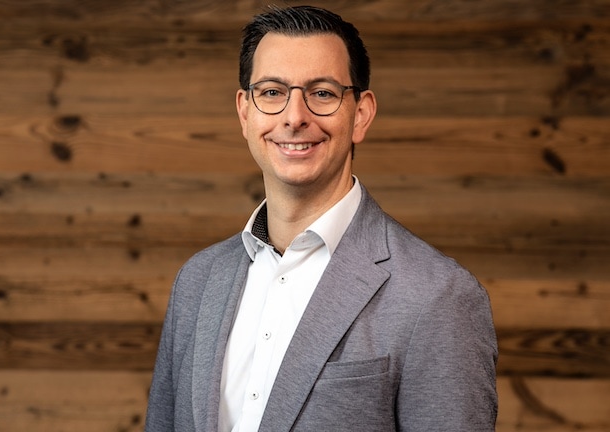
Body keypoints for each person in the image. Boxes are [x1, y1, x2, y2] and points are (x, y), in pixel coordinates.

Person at [145, 5, 498, 432]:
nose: (295, 117)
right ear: (245, 112)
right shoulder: (197, 281)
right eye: (272, 92)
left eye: (323, 93)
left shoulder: (437, 296)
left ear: (361, 114)